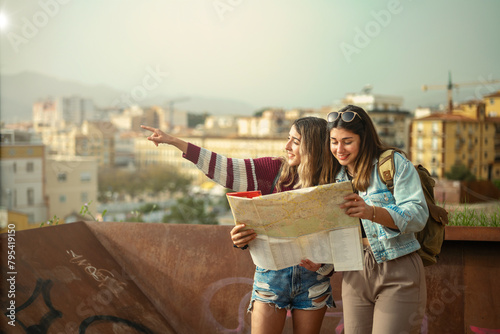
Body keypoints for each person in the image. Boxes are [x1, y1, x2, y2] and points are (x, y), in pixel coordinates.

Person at [141, 117, 337, 334]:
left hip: (314, 282)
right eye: (288, 139)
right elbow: (226, 169)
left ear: (314, 147)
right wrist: (176, 142)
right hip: (271, 277)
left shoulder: (335, 184)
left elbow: (344, 239)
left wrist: (323, 267)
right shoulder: (274, 170)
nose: (287, 146)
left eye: (296, 141)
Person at [326, 105, 429, 334]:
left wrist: (372, 212)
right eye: (334, 141)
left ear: (364, 139)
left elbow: (418, 215)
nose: (339, 149)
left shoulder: (392, 164)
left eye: (347, 141)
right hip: (354, 273)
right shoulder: (334, 178)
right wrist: (321, 262)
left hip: (397, 267)